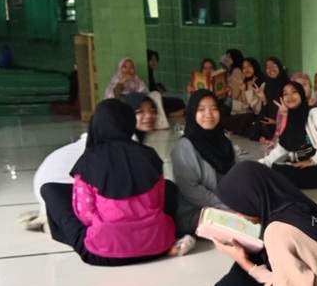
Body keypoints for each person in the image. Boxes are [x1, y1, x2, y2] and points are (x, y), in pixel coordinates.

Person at [40, 99, 193, 265]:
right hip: (157, 245)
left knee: (50, 189)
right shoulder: (149, 155)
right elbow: (159, 203)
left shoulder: (89, 160)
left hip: (103, 253)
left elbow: (85, 215)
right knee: (168, 186)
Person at [22, 94, 159, 232]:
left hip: (53, 195)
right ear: (125, 116)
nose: (149, 116)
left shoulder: (100, 137)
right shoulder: (125, 143)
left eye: (153, 110)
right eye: (139, 112)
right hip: (64, 192)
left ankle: (54, 217)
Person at [171, 90, 236, 235]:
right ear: (192, 113)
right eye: (201, 109)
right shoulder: (184, 147)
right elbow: (191, 190)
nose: (209, 114)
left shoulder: (224, 142)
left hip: (226, 203)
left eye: (214, 108)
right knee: (245, 224)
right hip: (196, 212)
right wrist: (228, 206)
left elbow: (237, 175)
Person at [257, 82, 317, 189]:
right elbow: (282, 148)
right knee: (269, 167)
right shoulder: (291, 119)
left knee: (275, 173)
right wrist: (261, 163)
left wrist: (313, 160)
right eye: (285, 94)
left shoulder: (315, 113)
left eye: (294, 92)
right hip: (300, 166)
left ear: (301, 94)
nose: (290, 97)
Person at [222, 57, 264, 137]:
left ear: (255, 67)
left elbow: (257, 109)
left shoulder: (261, 82)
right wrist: (242, 90)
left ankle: (224, 126)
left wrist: (248, 90)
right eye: (244, 67)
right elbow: (246, 105)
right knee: (225, 104)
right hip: (247, 111)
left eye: (249, 66)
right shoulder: (247, 81)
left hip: (257, 116)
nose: (246, 69)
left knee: (235, 119)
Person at [255, 56, 289, 141]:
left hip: (284, 121)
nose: (271, 69)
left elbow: (291, 110)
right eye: (268, 67)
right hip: (270, 120)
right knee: (258, 122)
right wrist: (264, 99)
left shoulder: (287, 85)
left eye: (274, 66)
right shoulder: (268, 85)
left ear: (280, 67)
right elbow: (266, 108)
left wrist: (275, 121)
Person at [146, 49, 185, 114]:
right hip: (154, 101)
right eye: (152, 60)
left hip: (156, 99)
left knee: (179, 103)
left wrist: (157, 87)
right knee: (180, 103)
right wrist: (158, 90)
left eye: (156, 60)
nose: (155, 62)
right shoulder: (148, 72)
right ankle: (170, 114)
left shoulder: (150, 72)